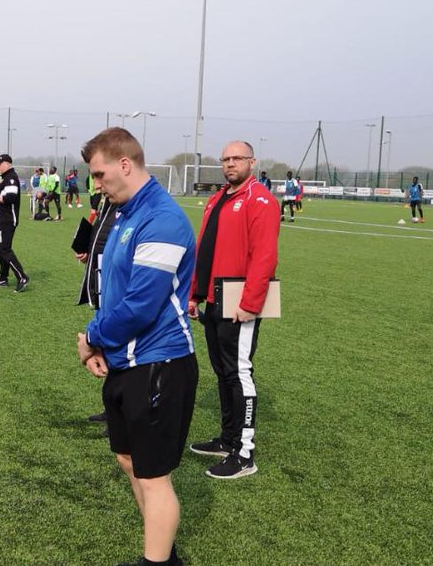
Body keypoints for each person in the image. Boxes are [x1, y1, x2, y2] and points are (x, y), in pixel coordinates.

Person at [76, 127, 196, 566]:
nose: (97, 183)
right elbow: (115, 294)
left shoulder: (162, 219)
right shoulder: (124, 213)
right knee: (129, 461)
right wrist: (104, 348)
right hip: (127, 363)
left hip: (160, 364)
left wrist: (91, 338)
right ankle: (163, 554)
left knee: (154, 477)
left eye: (100, 173)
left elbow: (141, 306)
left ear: (125, 165)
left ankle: (157, 563)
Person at [187, 140, 279, 480]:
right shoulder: (216, 199)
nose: (229, 164)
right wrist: (194, 294)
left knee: (239, 371)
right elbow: (204, 249)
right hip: (214, 296)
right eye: (225, 159)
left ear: (252, 162)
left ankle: (245, 453)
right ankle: (228, 440)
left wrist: (250, 303)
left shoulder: (262, 201)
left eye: (236, 158)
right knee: (223, 371)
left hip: (240, 298)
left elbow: (264, 256)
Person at [76, 173, 119, 436]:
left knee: (116, 349)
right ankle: (112, 409)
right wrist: (88, 249)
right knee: (109, 350)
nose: (98, 185)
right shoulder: (107, 202)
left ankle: (119, 415)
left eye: (101, 178)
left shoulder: (126, 206)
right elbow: (101, 237)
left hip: (112, 284)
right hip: (101, 281)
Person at [0, 154, 29, 292]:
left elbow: (11, 197)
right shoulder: (6, 178)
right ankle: (3, 278)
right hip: (2, 219)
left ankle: (22, 276)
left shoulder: (11, 178)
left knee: (4, 249)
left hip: (7, 220)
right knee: (1, 249)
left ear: (8, 164)